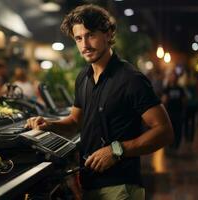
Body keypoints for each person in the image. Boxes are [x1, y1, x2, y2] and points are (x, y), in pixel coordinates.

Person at [25, 4, 173, 200]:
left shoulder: (130, 79)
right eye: (78, 38)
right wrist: (49, 125)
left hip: (121, 188)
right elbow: (75, 122)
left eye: (91, 35)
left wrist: (117, 150)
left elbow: (164, 131)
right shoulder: (83, 78)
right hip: (90, 184)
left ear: (108, 34)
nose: (84, 45)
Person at [162, 72, 187, 150]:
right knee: (170, 129)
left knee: (178, 129)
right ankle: (170, 144)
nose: (173, 78)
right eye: (172, 76)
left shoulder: (180, 88)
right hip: (169, 112)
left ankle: (176, 144)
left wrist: (184, 109)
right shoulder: (167, 88)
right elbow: (164, 100)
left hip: (178, 112)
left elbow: (184, 100)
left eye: (174, 77)